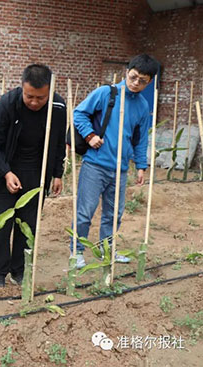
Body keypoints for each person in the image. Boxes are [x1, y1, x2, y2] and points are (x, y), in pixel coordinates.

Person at [71, 54, 159, 268]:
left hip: (120, 169)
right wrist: (90, 136)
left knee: (114, 214)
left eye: (142, 81)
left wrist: (140, 166)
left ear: (149, 82)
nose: (136, 83)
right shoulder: (107, 93)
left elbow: (140, 139)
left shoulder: (142, 105)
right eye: (133, 77)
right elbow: (79, 114)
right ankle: (77, 252)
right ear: (127, 72)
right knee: (85, 211)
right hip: (95, 165)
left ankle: (107, 250)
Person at [0, 64, 66, 288]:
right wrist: (6, 172)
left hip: (37, 173)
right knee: (1, 225)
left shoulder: (58, 107)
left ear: (49, 91)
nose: (34, 102)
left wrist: (57, 173)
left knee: (27, 225)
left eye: (40, 98)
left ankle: (19, 270)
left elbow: (60, 142)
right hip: (6, 171)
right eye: (29, 96)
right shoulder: (6, 105)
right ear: (22, 87)